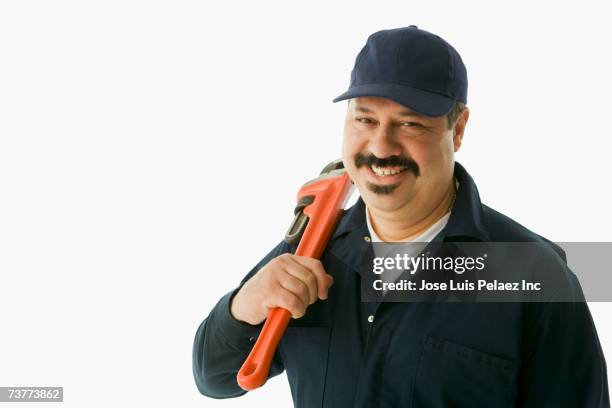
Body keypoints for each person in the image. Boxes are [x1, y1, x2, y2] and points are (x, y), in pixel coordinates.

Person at [192, 25, 610, 407]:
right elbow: (214, 376)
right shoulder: (309, 247)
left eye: (409, 124)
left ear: (458, 129)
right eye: (364, 119)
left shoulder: (532, 273)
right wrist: (242, 307)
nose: (381, 147)